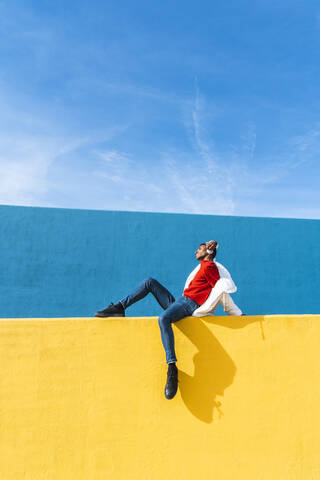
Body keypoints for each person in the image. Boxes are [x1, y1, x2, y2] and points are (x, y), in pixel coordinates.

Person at [94, 240, 243, 400]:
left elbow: (221, 290)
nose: (195, 252)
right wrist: (209, 249)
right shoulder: (202, 267)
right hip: (181, 301)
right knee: (149, 282)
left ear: (208, 252)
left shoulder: (210, 267)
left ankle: (172, 367)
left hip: (189, 304)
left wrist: (236, 314)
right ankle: (119, 307)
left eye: (199, 249)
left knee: (164, 318)